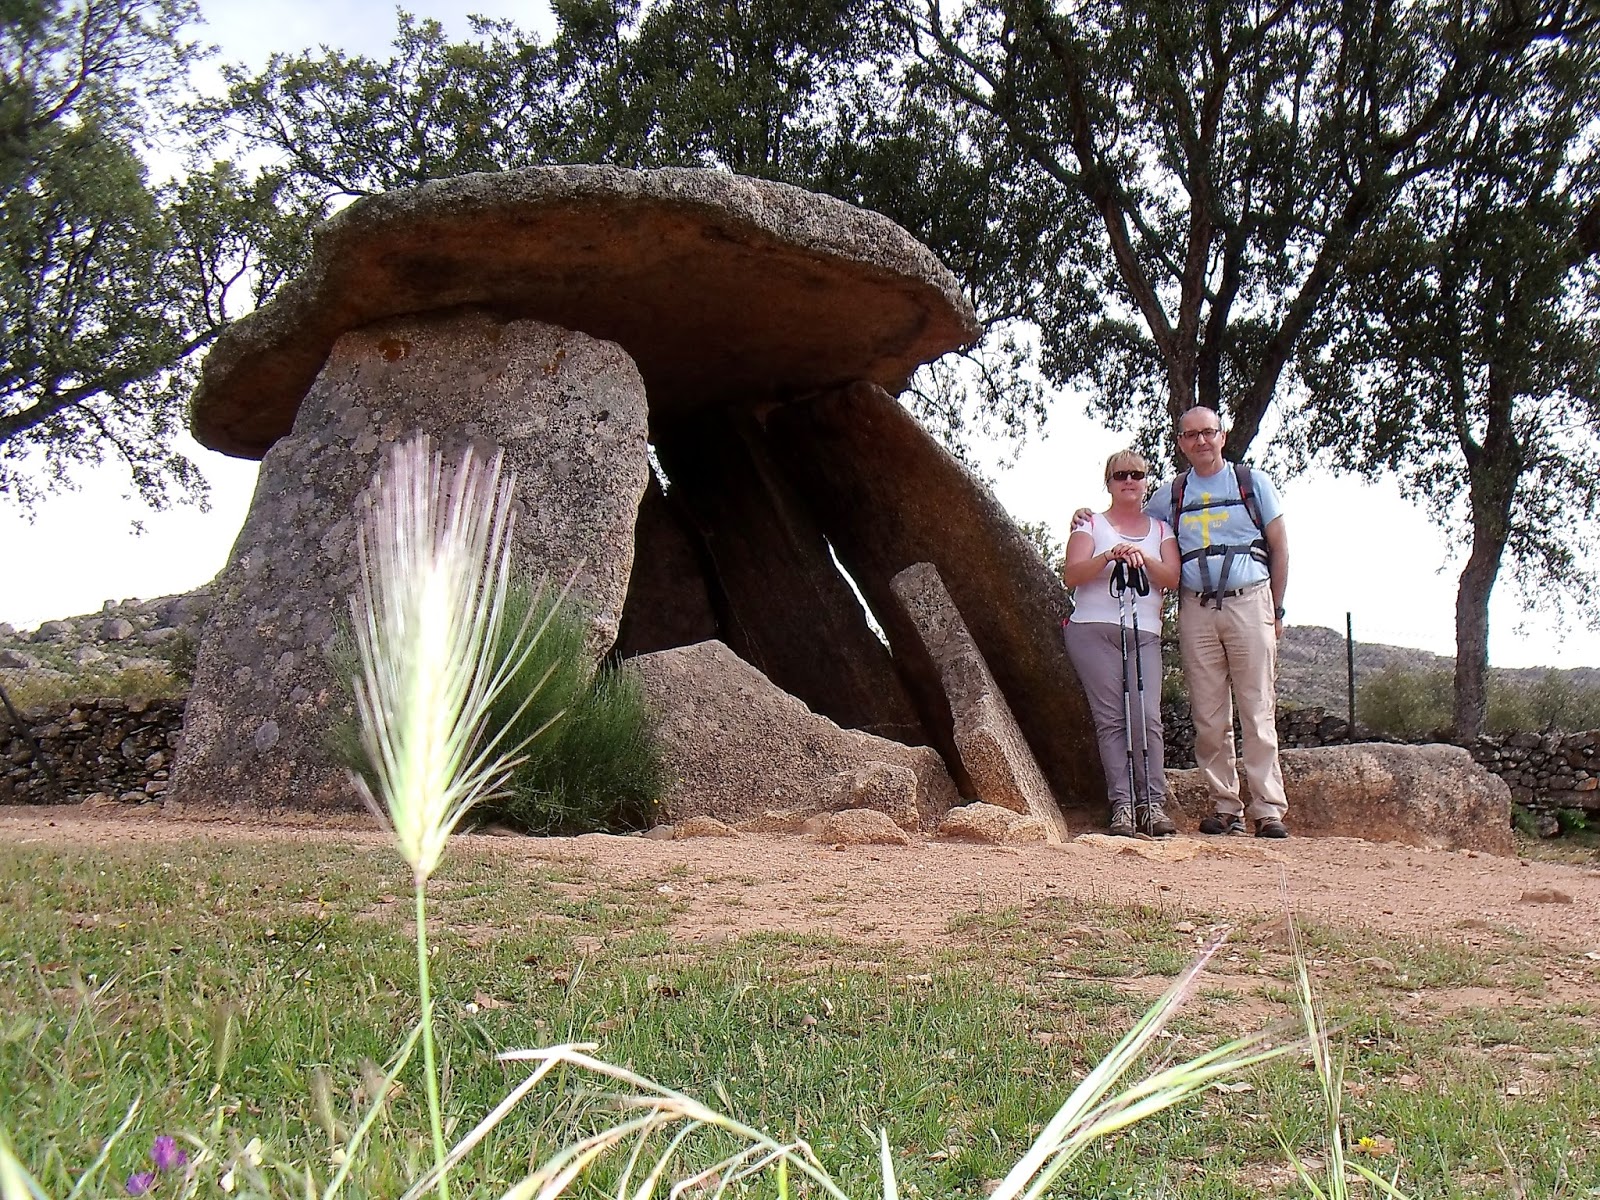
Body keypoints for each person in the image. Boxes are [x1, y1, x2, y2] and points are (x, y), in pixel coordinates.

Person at [1144, 406, 1292, 838]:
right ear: (1181, 442)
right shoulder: (1170, 495)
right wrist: (1088, 518)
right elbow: (1134, 525)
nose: (1201, 441)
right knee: (1208, 713)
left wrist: (1277, 610)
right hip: (1197, 608)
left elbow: (1280, 547)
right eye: (1191, 435)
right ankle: (1225, 806)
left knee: (1257, 707)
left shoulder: (1252, 483)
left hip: (1250, 602)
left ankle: (1267, 809)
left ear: (1222, 436)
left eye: (1208, 432)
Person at [1061, 449, 1180, 837]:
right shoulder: (1089, 525)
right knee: (1110, 719)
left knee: (1146, 718)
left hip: (1143, 632)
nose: (1129, 481)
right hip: (1093, 629)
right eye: (1120, 475)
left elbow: (1171, 578)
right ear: (1109, 483)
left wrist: (1141, 558)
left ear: (1146, 481)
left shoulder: (1161, 531)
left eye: (1136, 474)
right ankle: (1123, 805)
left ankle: (1153, 803)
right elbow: (1072, 574)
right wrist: (1109, 556)